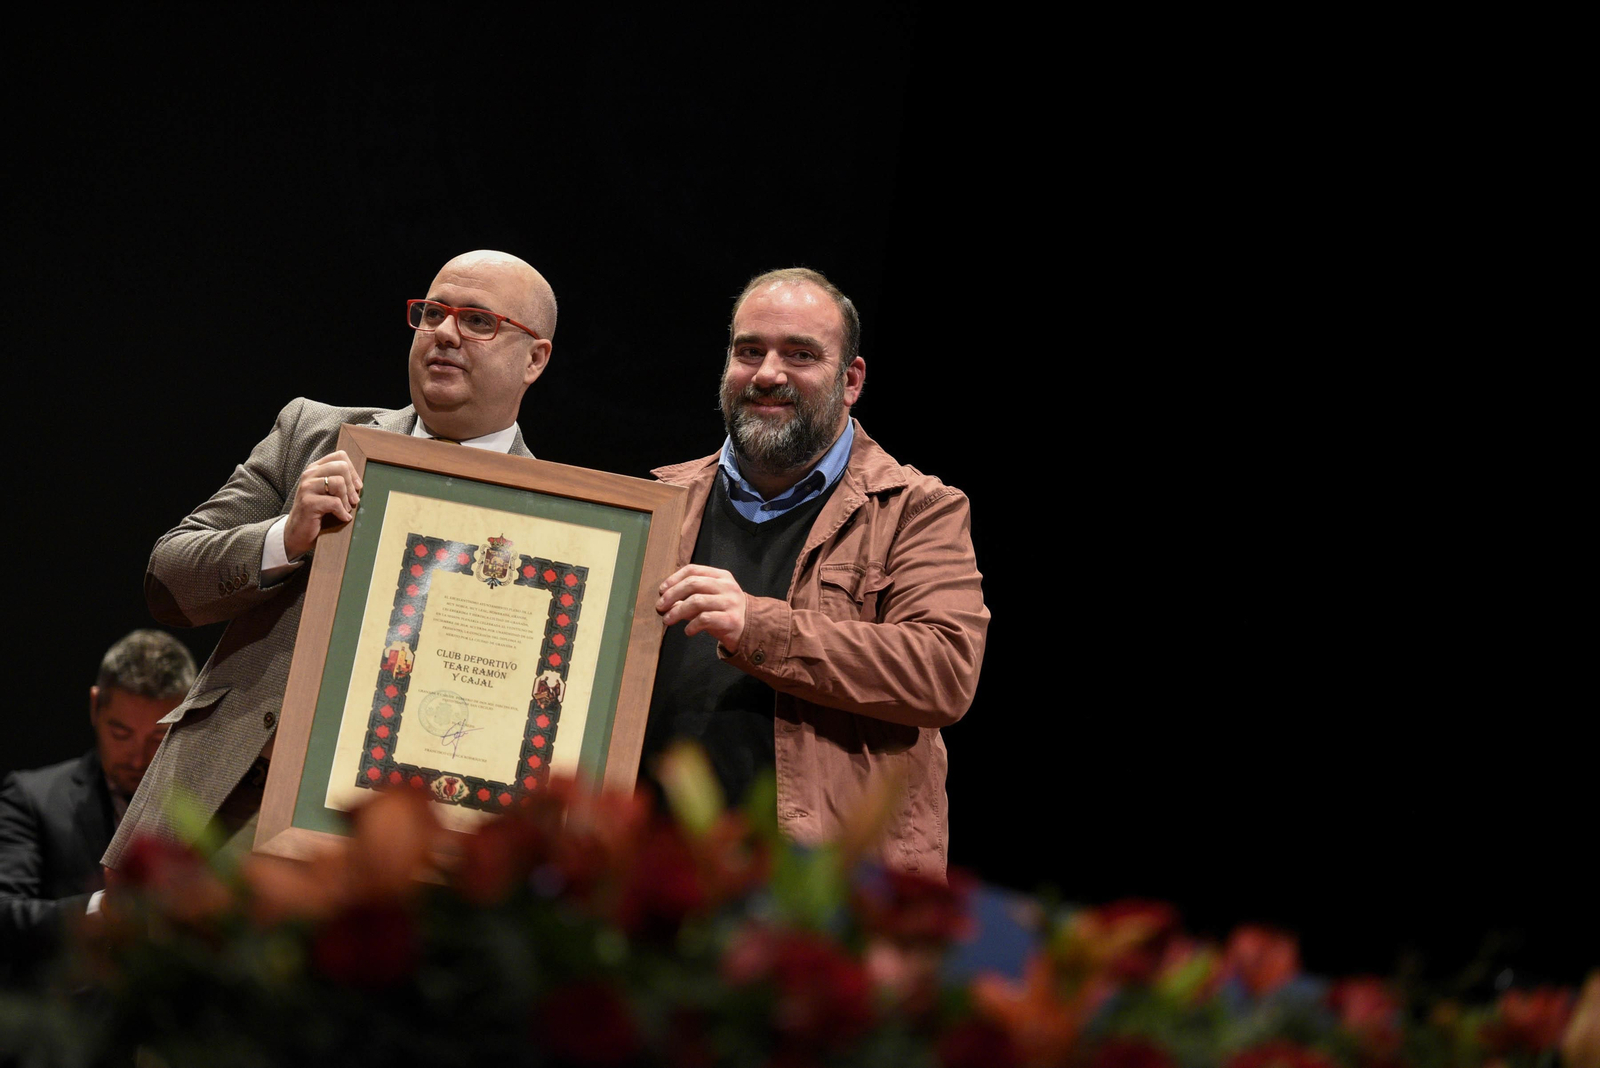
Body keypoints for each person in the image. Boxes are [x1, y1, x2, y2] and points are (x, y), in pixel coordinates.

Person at [102, 250, 557, 869]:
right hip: (222, 808)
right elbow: (168, 580)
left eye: (479, 321)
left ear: (535, 358)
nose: (445, 333)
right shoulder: (312, 435)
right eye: (431, 313)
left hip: (396, 849)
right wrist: (284, 539)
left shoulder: (561, 523)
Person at [645, 268, 988, 878]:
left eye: (799, 354)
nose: (768, 373)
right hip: (655, 868)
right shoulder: (655, 503)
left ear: (851, 379)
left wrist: (757, 626)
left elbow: (944, 669)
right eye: (749, 351)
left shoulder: (917, 509)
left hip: (823, 886)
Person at [1, 630, 195, 979]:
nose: (138, 758)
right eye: (120, 733)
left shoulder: (212, 803)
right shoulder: (31, 797)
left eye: (159, 737)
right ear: (95, 706)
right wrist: (102, 908)